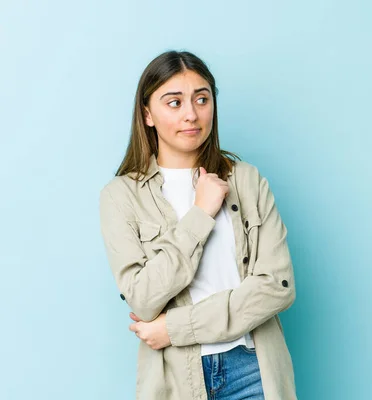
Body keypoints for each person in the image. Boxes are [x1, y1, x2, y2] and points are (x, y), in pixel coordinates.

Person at [98, 50, 297, 400]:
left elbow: (277, 287)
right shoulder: (120, 196)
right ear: (147, 114)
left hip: (254, 369)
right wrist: (201, 214)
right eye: (173, 102)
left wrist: (175, 327)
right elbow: (143, 299)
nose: (191, 114)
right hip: (175, 378)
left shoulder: (246, 181)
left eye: (201, 99)